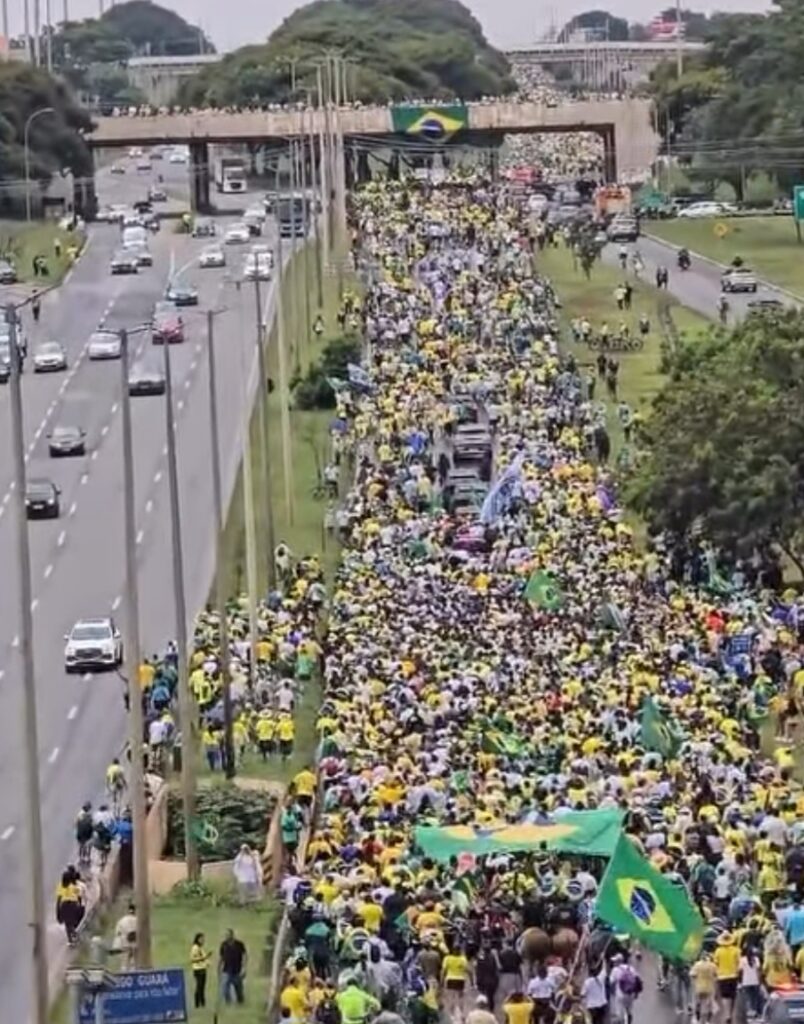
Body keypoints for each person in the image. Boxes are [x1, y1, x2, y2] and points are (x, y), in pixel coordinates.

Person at [219, 928, 247, 1004]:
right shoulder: (223, 945)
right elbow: (221, 957)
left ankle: (240, 1003)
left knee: (239, 991)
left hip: (237, 971)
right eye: (226, 935)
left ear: (232, 935)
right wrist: (219, 969)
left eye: (228, 935)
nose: (226, 936)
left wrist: (244, 968)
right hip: (226, 970)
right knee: (225, 989)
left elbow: (244, 956)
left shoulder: (239, 944)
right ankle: (228, 1003)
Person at [190, 932, 211, 1008]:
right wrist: (204, 958)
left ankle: (202, 1003)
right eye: (201, 939)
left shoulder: (200, 948)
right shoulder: (195, 948)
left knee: (202, 987)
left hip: (202, 968)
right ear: (198, 939)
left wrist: (207, 962)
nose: (203, 940)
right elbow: (193, 959)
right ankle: (197, 1004)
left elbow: (203, 957)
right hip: (198, 969)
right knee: (199, 987)